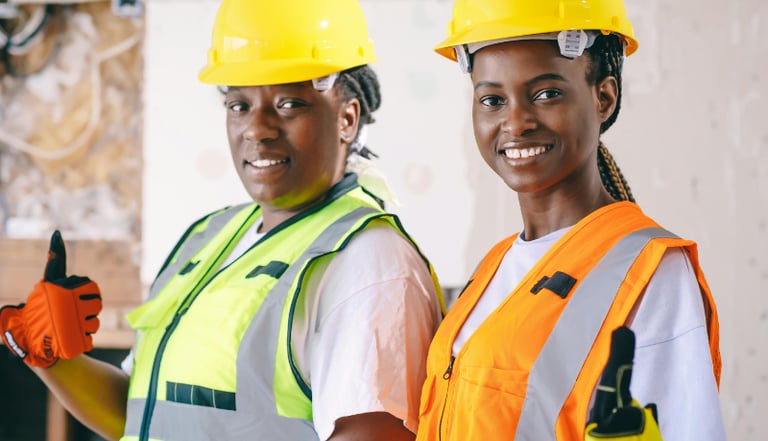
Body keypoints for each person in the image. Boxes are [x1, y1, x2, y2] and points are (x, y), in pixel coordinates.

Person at [0, 0, 444, 440]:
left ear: (347, 118)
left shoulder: (368, 263)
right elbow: (137, 416)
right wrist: (48, 356)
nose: (257, 128)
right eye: (239, 105)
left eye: (289, 103)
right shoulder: (211, 238)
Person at [415, 1, 724, 440]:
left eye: (546, 94)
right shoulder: (495, 267)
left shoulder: (650, 272)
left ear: (604, 96)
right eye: (492, 100)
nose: (515, 122)